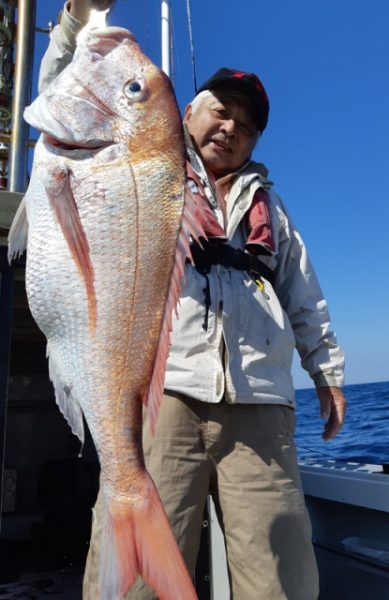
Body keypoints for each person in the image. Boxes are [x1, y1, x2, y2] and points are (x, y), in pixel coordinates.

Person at [39, 2, 347, 598]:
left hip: (260, 404)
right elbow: (66, 92)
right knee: (137, 584)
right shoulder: (139, 161)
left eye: (248, 125)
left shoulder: (271, 208)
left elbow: (306, 296)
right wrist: (77, 22)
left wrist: (327, 373)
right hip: (165, 397)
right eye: (221, 111)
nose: (231, 128)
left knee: (278, 573)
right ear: (186, 112)